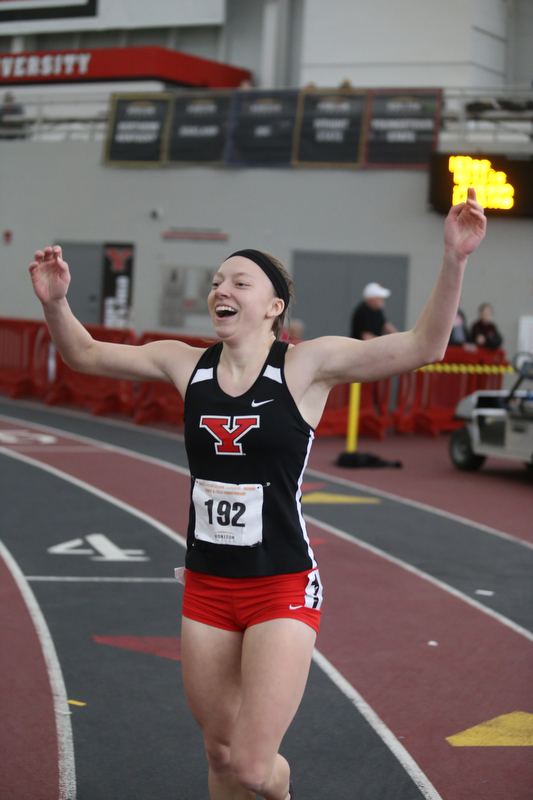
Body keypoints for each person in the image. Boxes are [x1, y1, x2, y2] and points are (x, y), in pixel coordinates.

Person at [28, 187, 486, 800]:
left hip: (281, 583)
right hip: (208, 584)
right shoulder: (183, 363)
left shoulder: (307, 365)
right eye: (218, 281)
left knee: (251, 767)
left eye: (240, 282)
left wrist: (455, 259)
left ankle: (280, 784)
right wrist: (57, 303)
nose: (223, 289)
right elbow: (83, 355)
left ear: (273, 305)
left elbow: (424, 347)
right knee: (219, 755)